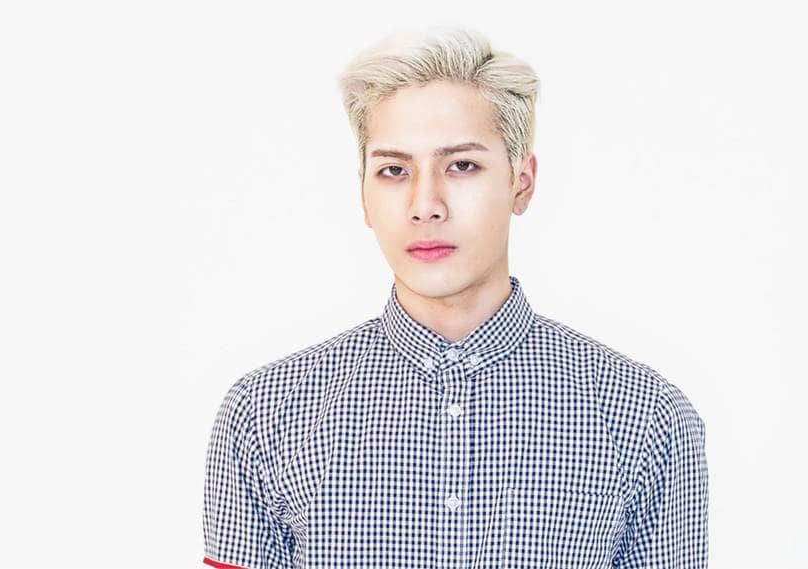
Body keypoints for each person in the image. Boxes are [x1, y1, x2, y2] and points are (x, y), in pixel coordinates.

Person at [202, 24, 708, 569]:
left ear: (521, 182)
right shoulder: (265, 415)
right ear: (364, 195)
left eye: (462, 165)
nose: (425, 205)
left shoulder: (645, 418)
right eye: (394, 170)